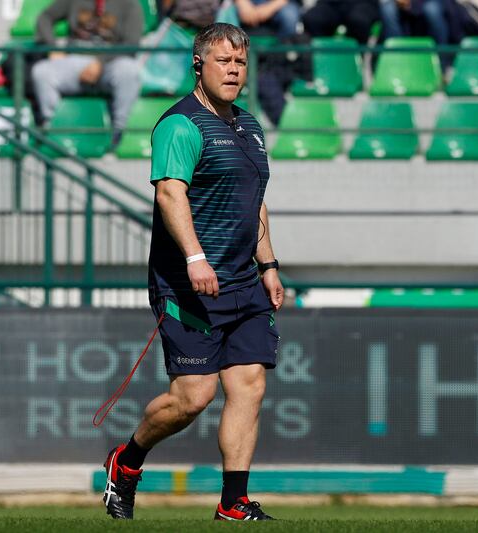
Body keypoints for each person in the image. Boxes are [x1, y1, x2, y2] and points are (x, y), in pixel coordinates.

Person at [102, 22, 284, 521]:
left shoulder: (250, 126)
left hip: (244, 280)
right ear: (198, 66)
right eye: (223, 61)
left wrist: (268, 263)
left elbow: (255, 203)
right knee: (193, 397)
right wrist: (195, 257)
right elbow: (169, 193)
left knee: (249, 384)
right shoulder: (179, 124)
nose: (233, 70)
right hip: (188, 284)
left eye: (240, 62)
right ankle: (128, 460)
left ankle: (233, 502)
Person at [31, 0, 144, 147]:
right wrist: (52, 46)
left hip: (111, 63)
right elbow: (45, 17)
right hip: (75, 60)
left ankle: (118, 133)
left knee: (130, 71)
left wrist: (100, 62)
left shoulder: (131, 4)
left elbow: (131, 45)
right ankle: (52, 127)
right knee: (42, 72)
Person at [302, 0, 380, 43]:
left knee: (358, 20)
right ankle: (323, 59)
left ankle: (356, 60)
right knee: (313, 19)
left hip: (363, 3)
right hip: (332, 3)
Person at [235, 0, 301, 39]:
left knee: (289, 16)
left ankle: (285, 56)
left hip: (280, 4)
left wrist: (269, 9)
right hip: (244, 4)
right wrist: (242, 4)